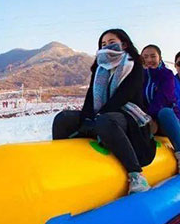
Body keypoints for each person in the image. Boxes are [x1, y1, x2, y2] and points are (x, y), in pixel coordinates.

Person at [51, 28, 156, 194]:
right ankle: (62, 166)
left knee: (105, 120)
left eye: (112, 42)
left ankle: (136, 174)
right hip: (101, 115)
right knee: (62, 118)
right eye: (103, 44)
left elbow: (123, 96)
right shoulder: (100, 67)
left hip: (127, 116)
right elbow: (91, 97)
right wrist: (86, 118)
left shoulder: (134, 65)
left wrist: (98, 117)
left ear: (124, 44)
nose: (107, 46)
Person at [140, 45, 180, 174]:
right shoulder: (138, 77)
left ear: (160, 58)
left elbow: (163, 98)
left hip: (166, 120)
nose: (149, 59)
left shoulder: (166, 75)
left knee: (165, 111)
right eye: (145, 57)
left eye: (153, 56)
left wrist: (150, 117)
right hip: (146, 120)